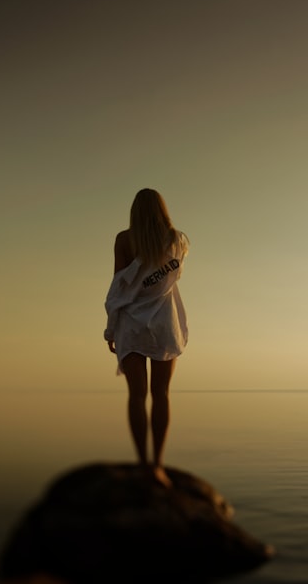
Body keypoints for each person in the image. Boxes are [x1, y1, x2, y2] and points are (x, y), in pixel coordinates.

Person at [104, 188, 189, 487]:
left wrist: (111, 327)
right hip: (164, 324)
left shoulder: (124, 240)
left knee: (137, 396)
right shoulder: (176, 241)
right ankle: (158, 466)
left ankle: (143, 465)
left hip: (131, 324)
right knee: (162, 395)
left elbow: (119, 288)